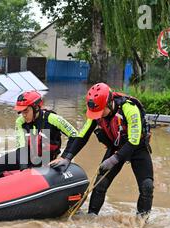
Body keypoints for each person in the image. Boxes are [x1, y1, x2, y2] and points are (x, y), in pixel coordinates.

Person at [60, 83, 154, 218]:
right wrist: (67, 157)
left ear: (110, 103)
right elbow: (83, 136)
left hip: (137, 147)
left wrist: (114, 159)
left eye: (100, 111)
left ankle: (141, 221)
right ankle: (92, 216)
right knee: (100, 183)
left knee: (147, 186)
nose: (98, 115)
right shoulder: (96, 113)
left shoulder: (129, 109)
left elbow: (134, 141)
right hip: (116, 146)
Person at [0, 90, 78, 178]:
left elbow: (75, 136)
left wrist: (64, 157)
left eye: (26, 111)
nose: (23, 115)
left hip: (46, 159)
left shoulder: (53, 119)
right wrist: (24, 169)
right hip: (26, 155)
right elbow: (21, 146)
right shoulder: (20, 122)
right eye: (21, 112)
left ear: (36, 108)